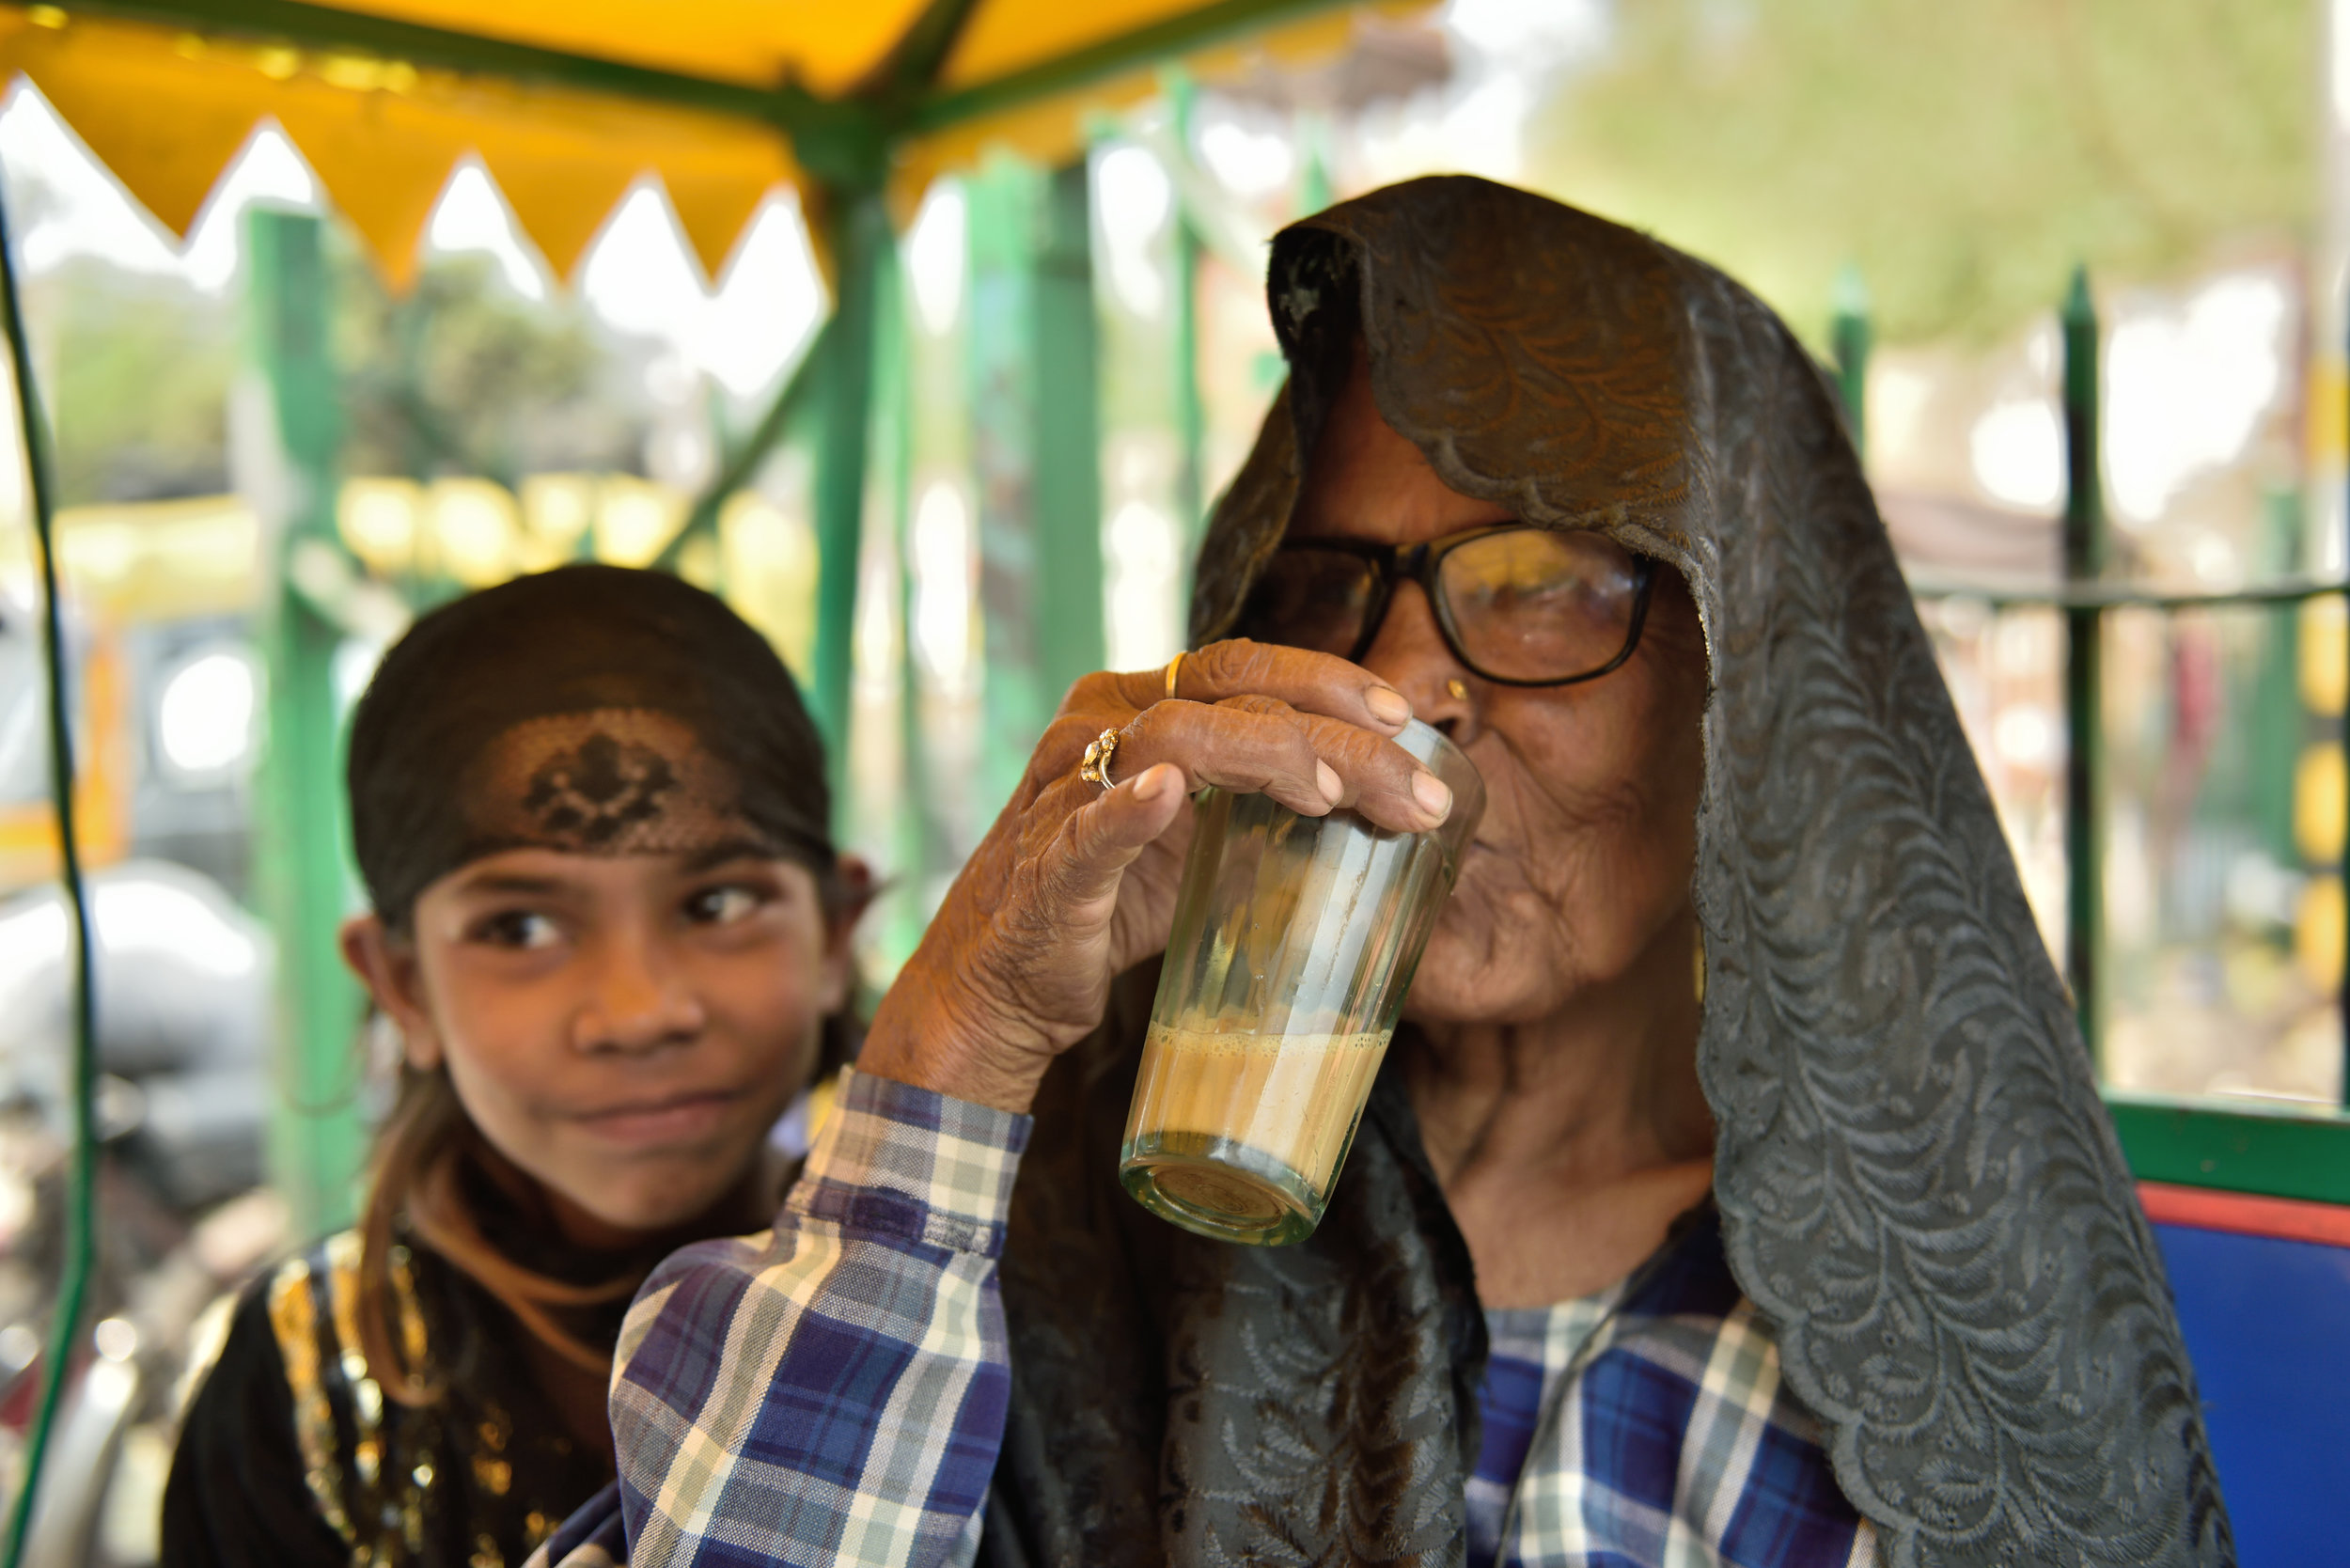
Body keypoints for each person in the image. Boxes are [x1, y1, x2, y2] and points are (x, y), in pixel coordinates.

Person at [546, 178, 2230, 1568]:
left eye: (1549, 579)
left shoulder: (1930, 1325)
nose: (1404, 682)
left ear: (1758, 684)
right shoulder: (1041, 1229)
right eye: (1327, 579)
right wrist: (952, 1050)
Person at [163, 565, 868, 1568]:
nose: (637, 1014)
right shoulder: (303, 1384)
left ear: (835, 932)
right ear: (402, 985)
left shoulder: (991, 1302)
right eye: (521, 926)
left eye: (716, 905)